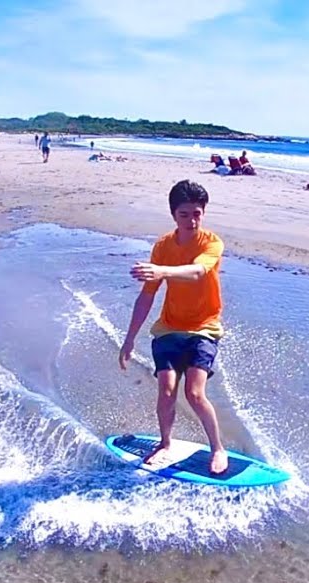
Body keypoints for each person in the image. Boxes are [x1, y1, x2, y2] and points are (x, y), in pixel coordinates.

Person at [120, 180, 229, 474]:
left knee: (194, 393)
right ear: (173, 215)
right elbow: (146, 296)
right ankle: (165, 443)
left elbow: (197, 271)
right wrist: (129, 339)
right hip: (168, 328)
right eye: (185, 214)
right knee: (166, 389)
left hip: (204, 328)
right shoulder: (163, 247)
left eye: (197, 213)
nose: (192, 220)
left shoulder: (211, 243)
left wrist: (162, 271)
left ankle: (218, 448)